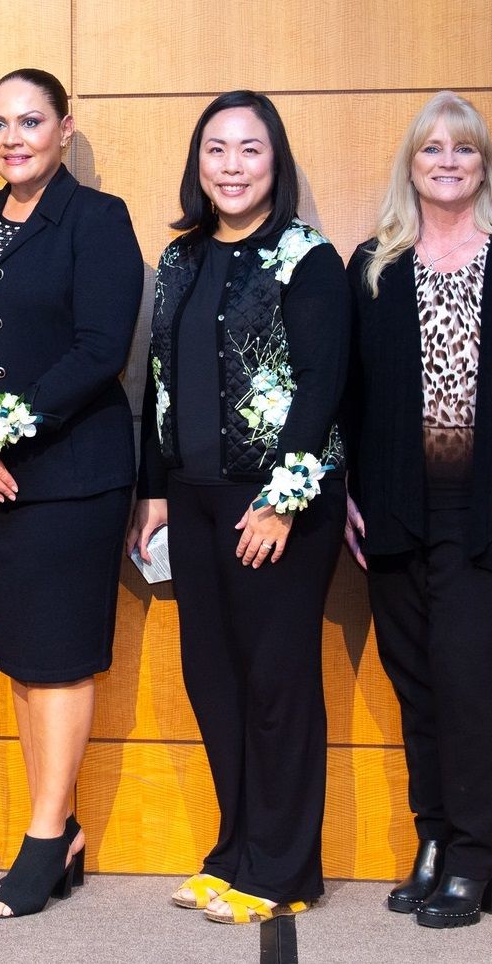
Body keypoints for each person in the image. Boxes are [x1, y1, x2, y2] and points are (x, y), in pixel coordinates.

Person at [341, 91, 492, 928]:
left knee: (471, 684)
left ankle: (475, 858)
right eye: (431, 148)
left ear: (484, 165)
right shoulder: (373, 264)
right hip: (393, 508)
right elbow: (348, 394)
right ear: (409, 165)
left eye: (464, 148)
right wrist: (345, 490)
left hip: (486, 511)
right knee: (417, 685)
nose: (447, 161)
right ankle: (435, 839)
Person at [0, 68, 143, 918]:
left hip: (71, 477)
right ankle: (62, 827)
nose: (13, 138)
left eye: (30, 121)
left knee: (61, 659)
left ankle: (44, 835)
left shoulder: (97, 219)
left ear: (64, 128)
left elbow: (99, 350)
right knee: (23, 660)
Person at [126, 91, 349, 925]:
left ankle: (283, 869)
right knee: (213, 680)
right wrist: (153, 488)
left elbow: (323, 388)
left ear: (274, 162)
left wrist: (282, 501)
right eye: (215, 149)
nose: (230, 165)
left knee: (275, 684)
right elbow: (158, 380)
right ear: (198, 163)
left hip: (278, 506)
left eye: (249, 149)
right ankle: (234, 851)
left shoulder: (306, 257)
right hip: (192, 499)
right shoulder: (179, 257)